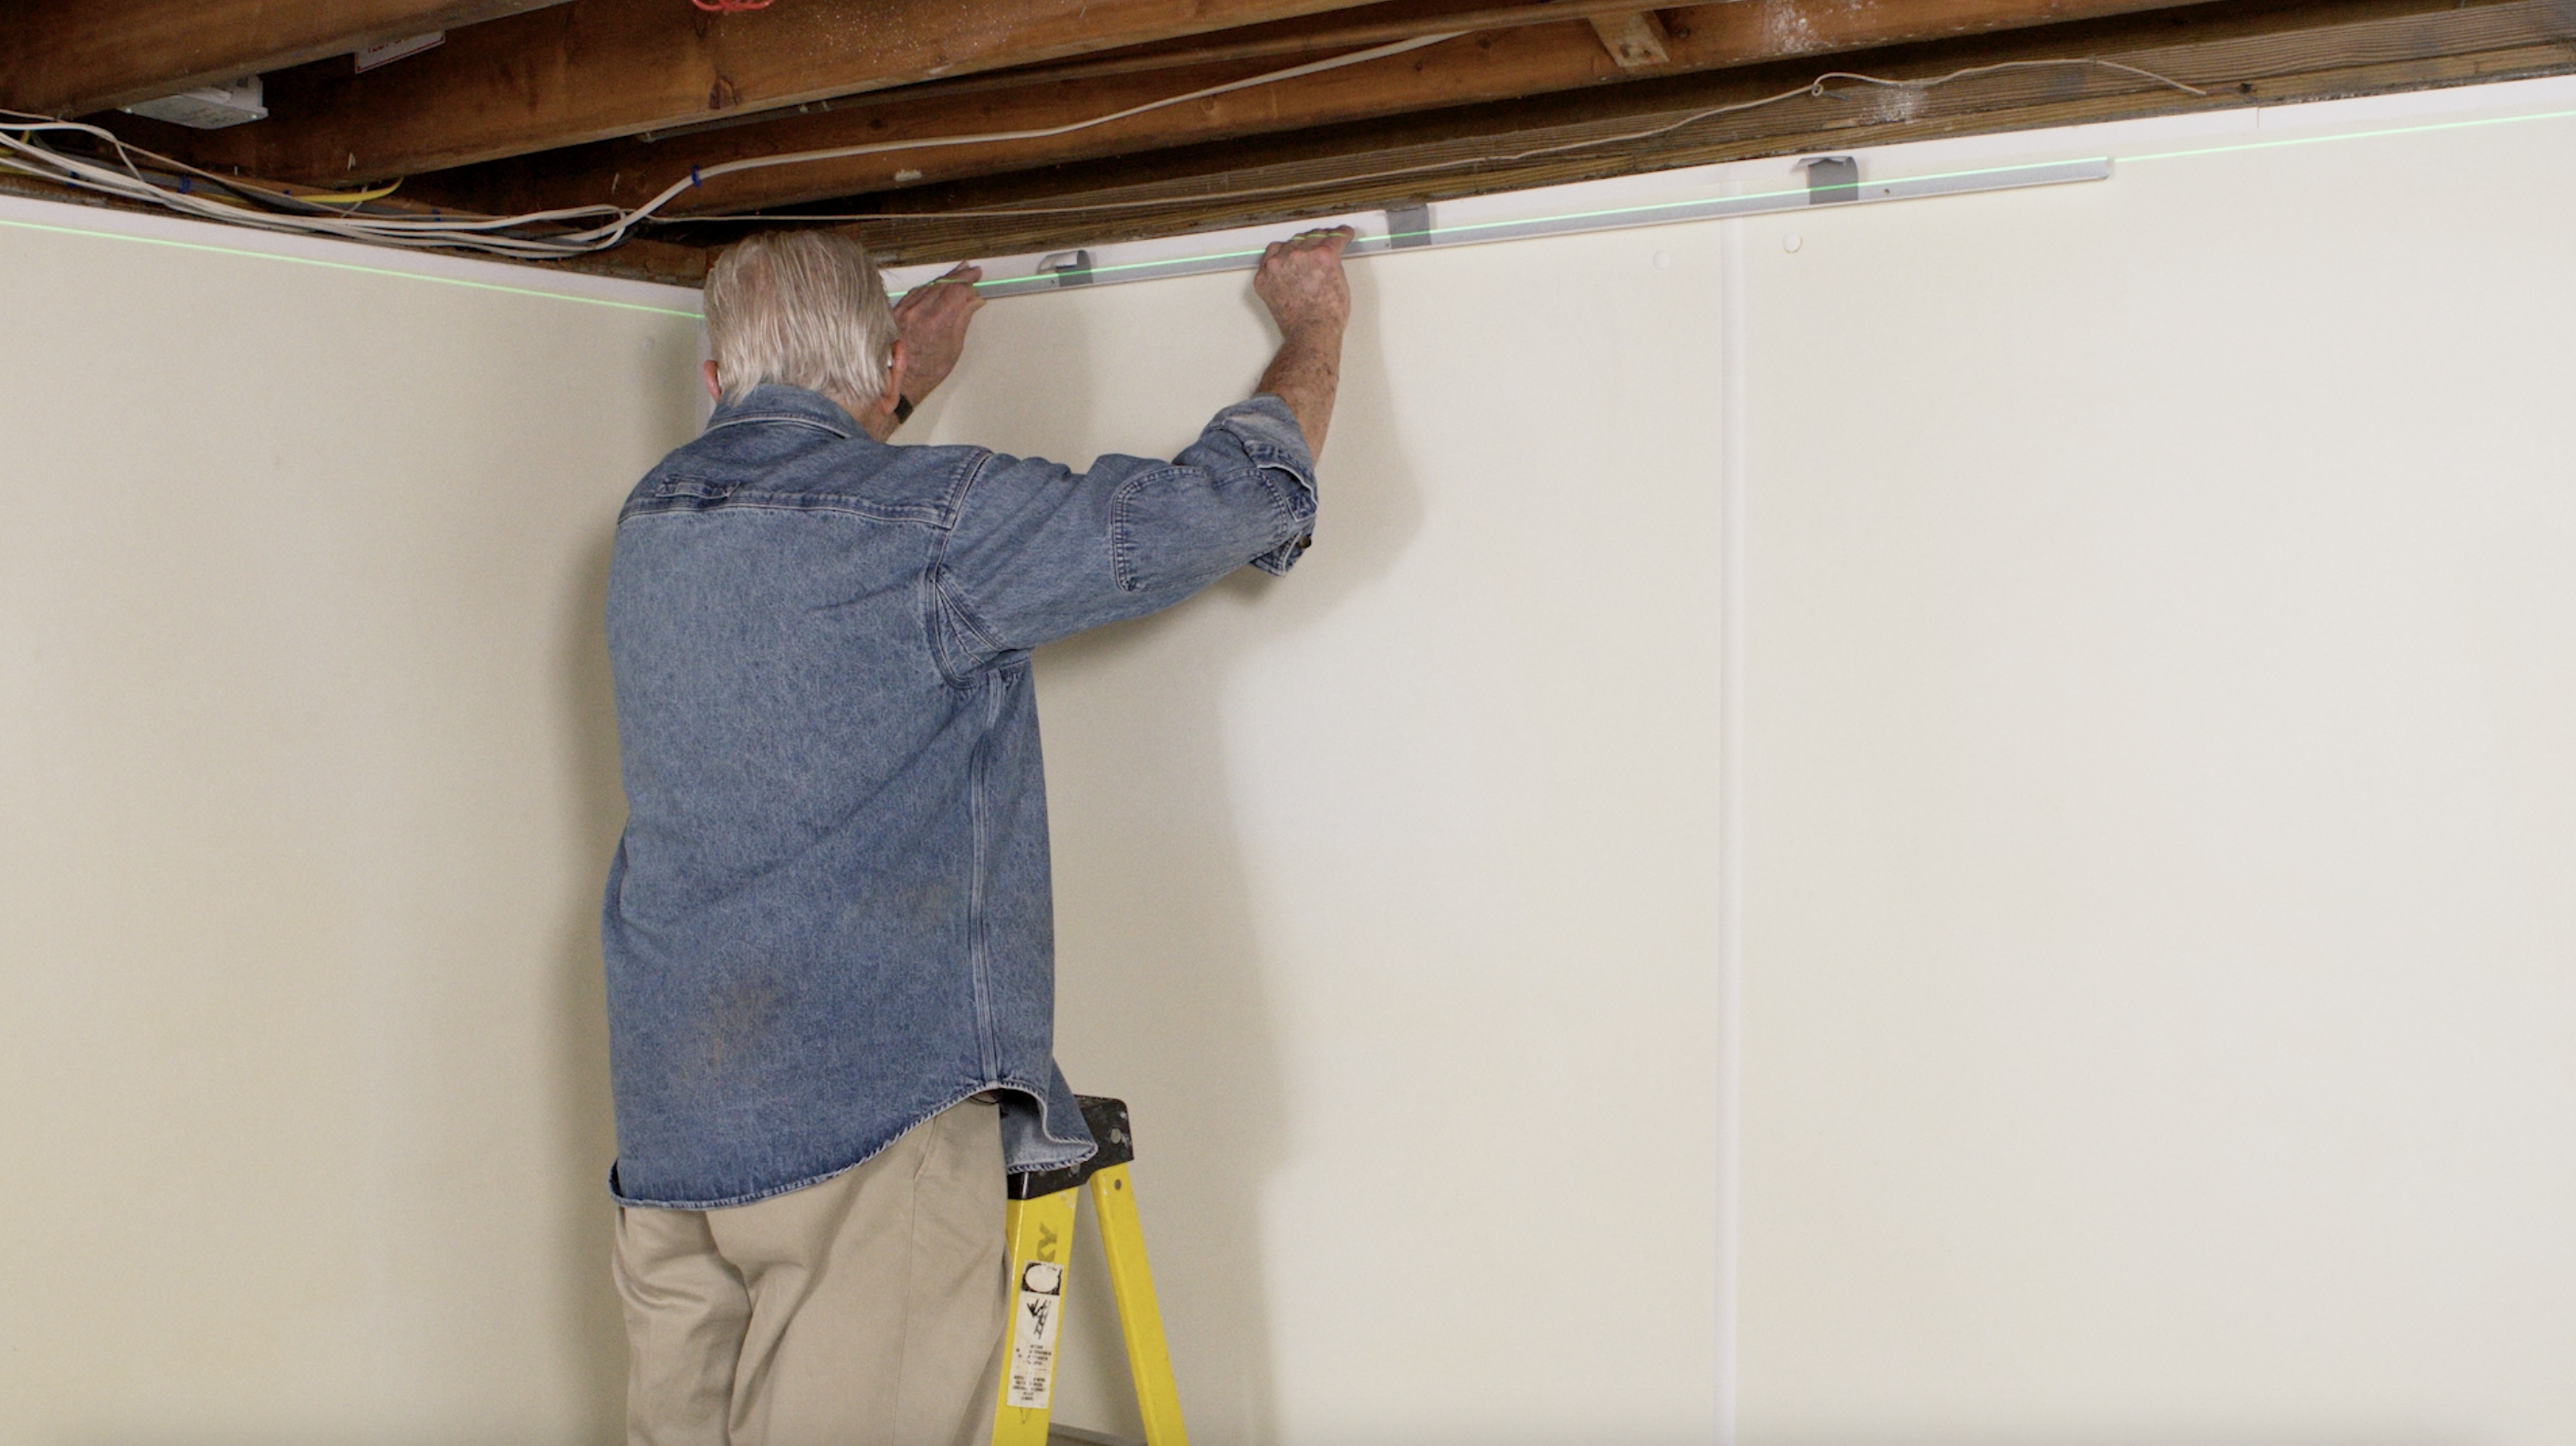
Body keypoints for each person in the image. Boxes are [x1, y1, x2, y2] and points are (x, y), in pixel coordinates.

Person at [597, 224, 1354, 1446]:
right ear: (888, 360)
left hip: (678, 1121)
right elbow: (1221, 507)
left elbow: (815, 521)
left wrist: (889, 393)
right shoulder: (937, 528)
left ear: (711, 380)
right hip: (864, 1128)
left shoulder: (654, 518)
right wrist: (1313, 330)